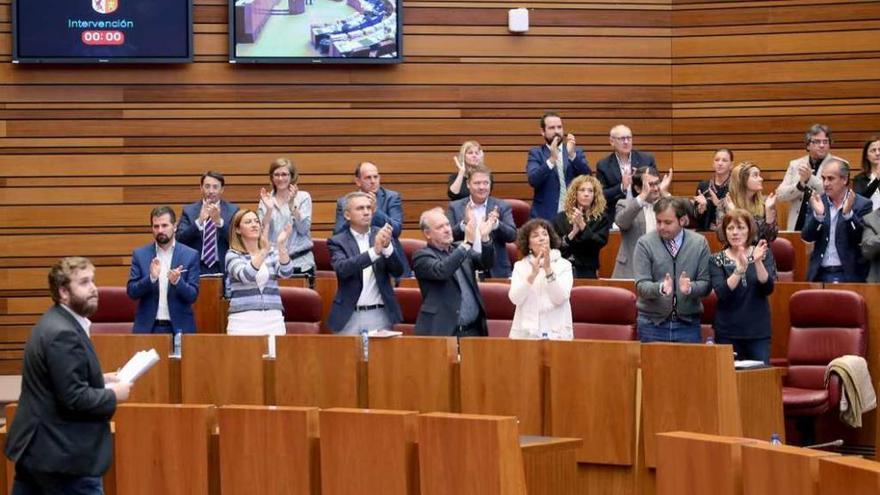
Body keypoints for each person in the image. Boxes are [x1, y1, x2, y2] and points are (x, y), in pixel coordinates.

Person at [6, 257, 131, 494]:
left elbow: (56, 380)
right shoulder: (64, 333)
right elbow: (74, 398)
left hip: (40, 451)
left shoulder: (54, 321)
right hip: (62, 457)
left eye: (93, 280)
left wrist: (100, 379)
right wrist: (113, 394)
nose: (94, 288)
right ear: (63, 292)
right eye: (84, 282)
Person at [633, 197, 711, 343]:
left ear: (682, 221)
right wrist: (660, 288)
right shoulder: (645, 244)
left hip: (687, 324)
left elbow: (706, 284)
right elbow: (641, 285)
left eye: (668, 222)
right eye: (658, 221)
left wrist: (690, 288)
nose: (661, 227)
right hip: (652, 324)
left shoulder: (699, 243)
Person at [327, 192, 404, 334]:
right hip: (349, 314)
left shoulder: (382, 234)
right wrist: (374, 252)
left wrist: (387, 248)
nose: (366, 212)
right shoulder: (337, 241)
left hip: (379, 313)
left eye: (369, 208)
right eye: (360, 208)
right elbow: (343, 269)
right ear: (347, 215)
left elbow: (398, 271)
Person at [412, 207, 495, 336]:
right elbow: (442, 271)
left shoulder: (459, 248)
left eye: (447, 225)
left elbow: (486, 263)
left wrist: (485, 238)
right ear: (427, 234)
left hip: (474, 330)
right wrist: (467, 243)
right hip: (444, 332)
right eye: (440, 227)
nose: (447, 229)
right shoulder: (421, 256)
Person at [225, 209, 296, 357]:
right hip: (243, 320)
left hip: (273, 318)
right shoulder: (232, 255)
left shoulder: (271, 253)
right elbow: (246, 275)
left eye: (256, 221)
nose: (254, 225)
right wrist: (263, 250)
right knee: (245, 369)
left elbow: (286, 272)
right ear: (238, 229)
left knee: (276, 368)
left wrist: (281, 246)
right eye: (248, 222)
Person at [709, 210, 776, 363]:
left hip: (757, 331)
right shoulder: (716, 260)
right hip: (727, 331)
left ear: (749, 230)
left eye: (740, 228)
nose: (735, 233)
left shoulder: (763, 254)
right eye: (730, 228)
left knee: (759, 381)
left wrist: (757, 262)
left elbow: (768, 288)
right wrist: (739, 270)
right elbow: (721, 292)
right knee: (728, 382)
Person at [127, 206, 200, 334]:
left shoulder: (190, 255)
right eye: (156, 226)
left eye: (164, 225)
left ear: (175, 226)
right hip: (148, 328)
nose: (160, 230)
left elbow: (193, 295)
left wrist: (178, 282)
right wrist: (151, 278)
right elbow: (132, 292)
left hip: (180, 329)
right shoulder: (140, 254)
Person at [333, 161, 409, 276]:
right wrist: (355, 219)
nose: (373, 181)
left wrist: (375, 211)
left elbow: (396, 230)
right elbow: (338, 234)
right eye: (368, 178)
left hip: (387, 259)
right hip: (357, 256)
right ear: (358, 181)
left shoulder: (391, 197)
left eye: (375, 177)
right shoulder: (344, 202)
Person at [802, 159, 872, 283]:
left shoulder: (862, 204)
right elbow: (807, 236)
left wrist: (848, 215)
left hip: (849, 274)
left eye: (830, 178)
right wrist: (819, 216)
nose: (825, 183)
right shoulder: (817, 201)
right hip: (820, 273)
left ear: (844, 179)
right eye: (823, 178)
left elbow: (860, 239)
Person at [508, 219, 574, 340]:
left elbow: (560, 298)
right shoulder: (520, 266)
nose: (542, 238)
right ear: (528, 244)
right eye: (535, 235)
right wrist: (532, 275)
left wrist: (548, 270)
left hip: (557, 335)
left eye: (545, 234)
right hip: (525, 336)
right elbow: (515, 298)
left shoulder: (564, 265)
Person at [447, 165, 517, 278]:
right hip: (464, 267)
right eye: (477, 183)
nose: (482, 187)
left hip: (496, 269)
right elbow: (448, 238)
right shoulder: (455, 207)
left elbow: (512, 235)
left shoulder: (502, 206)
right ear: (468, 184)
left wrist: (497, 225)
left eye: (486, 183)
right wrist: (464, 224)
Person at [777, 124, 847, 231]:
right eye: (817, 142)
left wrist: (810, 179)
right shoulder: (795, 165)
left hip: (826, 224)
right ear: (808, 145)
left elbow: (837, 193)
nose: (822, 145)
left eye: (825, 141)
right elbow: (780, 195)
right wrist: (799, 185)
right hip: (798, 224)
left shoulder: (840, 164)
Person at [526, 112, 591, 220]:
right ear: (543, 132)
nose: (557, 131)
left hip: (573, 215)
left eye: (559, 127)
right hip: (545, 217)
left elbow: (588, 178)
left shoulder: (575, 152)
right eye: (552, 128)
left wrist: (572, 156)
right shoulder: (536, 153)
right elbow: (533, 180)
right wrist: (551, 160)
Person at [258, 158, 315, 279]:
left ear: (292, 176)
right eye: (276, 175)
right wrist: (268, 210)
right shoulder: (266, 200)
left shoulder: (303, 197)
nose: (280, 178)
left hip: (300, 263)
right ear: (272, 177)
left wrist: (292, 205)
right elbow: (262, 233)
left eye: (284, 174)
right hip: (274, 264)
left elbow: (304, 229)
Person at [176, 170, 240, 276]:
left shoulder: (233, 211)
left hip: (223, 266)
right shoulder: (189, 211)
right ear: (201, 188)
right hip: (196, 267)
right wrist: (199, 221)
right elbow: (180, 239)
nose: (211, 191)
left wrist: (219, 222)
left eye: (215, 187)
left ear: (222, 189)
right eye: (207, 186)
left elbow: (238, 241)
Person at [553, 175, 611, 278]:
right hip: (562, 270)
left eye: (590, 191)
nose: (586, 194)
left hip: (587, 270)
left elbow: (598, 243)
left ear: (595, 195)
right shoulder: (561, 218)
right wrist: (573, 233)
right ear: (575, 193)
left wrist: (583, 226)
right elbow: (557, 248)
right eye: (582, 190)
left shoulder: (601, 219)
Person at [595, 124, 658, 219]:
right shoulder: (603, 165)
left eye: (629, 138)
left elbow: (656, 187)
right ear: (612, 141)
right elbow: (601, 196)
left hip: (644, 213)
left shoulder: (646, 159)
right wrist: (621, 187)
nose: (626, 142)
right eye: (622, 139)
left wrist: (642, 180)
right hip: (617, 216)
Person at [612, 167, 662, 279]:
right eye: (650, 185)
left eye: (657, 183)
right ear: (638, 188)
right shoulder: (624, 204)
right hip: (631, 270)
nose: (655, 188)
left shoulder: (666, 206)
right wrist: (642, 197)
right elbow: (621, 222)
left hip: (659, 270)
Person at [721, 161, 778, 242]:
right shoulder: (726, 203)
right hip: (735, 252)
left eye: (759, 175)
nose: (761, 179)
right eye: (755, 175)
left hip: (761, 251)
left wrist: (769, 213)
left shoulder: (766, 203)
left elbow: (771, 238)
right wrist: (733, 214)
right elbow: (721, 237)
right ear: (742, 180)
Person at [692, 148, 733, 232]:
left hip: (728, 233)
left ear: (731, 165)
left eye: (724, 160)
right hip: (704, 233)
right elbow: (695, 217)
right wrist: (700, 209)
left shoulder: (735, 187)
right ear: (713, 164)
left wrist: (719, 204)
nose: (720, 163)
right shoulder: (703, 186)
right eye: (717, 160)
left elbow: (739, 216)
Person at [852, 136, 880, 210]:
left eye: (879, 150)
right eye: (873, 150)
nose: (877, 153)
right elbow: (859, 202)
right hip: (868, 219)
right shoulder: (860, 179)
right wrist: (877, 179)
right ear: (866, 156)